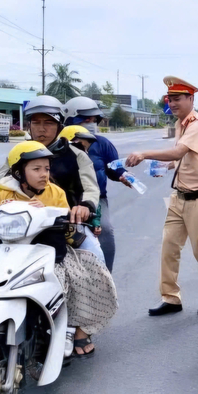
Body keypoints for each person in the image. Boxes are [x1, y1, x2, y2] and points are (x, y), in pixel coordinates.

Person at [0, 141, 118, 358]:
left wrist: (50, 212)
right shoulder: (5, 193)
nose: (44, 174)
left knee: (72, 280)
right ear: (19, 173)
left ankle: (68, 327)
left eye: (47, 169)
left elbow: (66, 216)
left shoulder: (56, 192)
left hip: (49, 255)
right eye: (36, 169)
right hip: (13, 255)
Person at [0, 95, 105, 265]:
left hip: (66, 224)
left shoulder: (76, 154)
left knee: (96, 260)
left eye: (48, 123)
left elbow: (91, 189)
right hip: (21, 224)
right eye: (36, 123)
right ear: (28, 126)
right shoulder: (20, 153)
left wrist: (85, 206)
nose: (41, 129)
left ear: (59, 126)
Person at [126, 76, 198, 316]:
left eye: (178, 99)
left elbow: (178, 151)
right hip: (179, 197)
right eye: (170, 99)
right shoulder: (182, 123)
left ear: (191, 99)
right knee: (169, 247)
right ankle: (171, 298)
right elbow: (185, 157)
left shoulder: (197, 125)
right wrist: (167, 167)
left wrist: (144, 154)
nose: (173, 103)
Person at [61, 97, 134, 272]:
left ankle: (106, 275)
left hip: (96, 199)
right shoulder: (59, 143)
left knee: (106, 231)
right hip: (62, 199)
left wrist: (123, 176)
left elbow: (114, 168)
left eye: (94, 120)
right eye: (87, 120)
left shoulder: (102, 144)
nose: (91, 123)